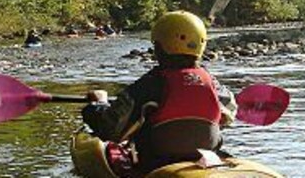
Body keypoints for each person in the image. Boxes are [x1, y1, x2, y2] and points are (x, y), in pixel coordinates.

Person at [82, 11, 236, 177]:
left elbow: (110, 129)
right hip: (205, 160)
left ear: (159, 47)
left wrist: (98, 104)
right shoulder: (215, 85)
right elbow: (229, 113)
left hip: (156, 164)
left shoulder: (149, 85)